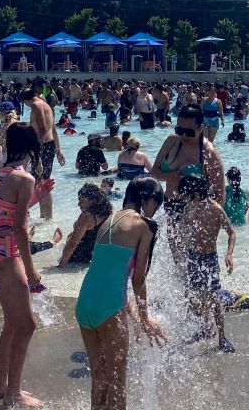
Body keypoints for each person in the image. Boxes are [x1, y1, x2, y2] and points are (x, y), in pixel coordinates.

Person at [75, 175, 165, 410]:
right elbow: (138, 280)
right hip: (108, 308)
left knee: (100, 378)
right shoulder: (143, 226)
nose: (156, 210)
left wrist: (132, 313)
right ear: (148, 200)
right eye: (157, 203)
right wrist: (145, 319)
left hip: (85, 304)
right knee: (117, 383)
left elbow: (109, 273)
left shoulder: (109, 219)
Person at [0, 122, 54, 408]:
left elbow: (5, 211)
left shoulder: (2, 173)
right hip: (7, 255)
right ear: (31, 147)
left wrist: (36, 197)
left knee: (13, 324)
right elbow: (20, 228)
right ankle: (14, 393)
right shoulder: (24, 179)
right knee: (27, 325)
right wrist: (32, 268)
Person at [150, 104, 225, 266]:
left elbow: (219, 195)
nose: (183, 135)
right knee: (177, 255)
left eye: (189, 131)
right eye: (179, 129)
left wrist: (212, 229)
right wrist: (169, 176)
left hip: (196, 210)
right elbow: (154, 171)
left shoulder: (209, 154)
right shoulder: (172, 141)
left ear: (201, 128)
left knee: (195, 258)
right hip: (171, 204)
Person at [179, 174, 236, 353]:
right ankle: (204, 328)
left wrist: (229, 255)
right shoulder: (188, 208)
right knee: (194, 295)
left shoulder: (215, 209)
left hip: (209, 258)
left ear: (194, 192)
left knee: (213, 298)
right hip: (193, 257)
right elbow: (182, 232)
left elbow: (232, 233)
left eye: (185, 193)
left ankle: (222, 337)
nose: (183, 197)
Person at [22, 88, 65, 219]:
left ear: (25, 101)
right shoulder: (47, 105)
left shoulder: (35, 105)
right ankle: (46, 216)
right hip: (50, 145)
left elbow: (41, 129)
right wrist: (58, 149)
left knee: (41, 183)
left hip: (41, 147)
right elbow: (53, 130)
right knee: (43, 182)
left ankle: (46, 217)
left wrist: (37, 156)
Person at [58, 183, 114, 266]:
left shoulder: (86, 217)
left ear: (92, 201)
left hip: (78, 257)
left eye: (82, 201)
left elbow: (72, 244)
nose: (78, 204)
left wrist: (61, 265)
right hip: (93, 256)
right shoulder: (108, 212)